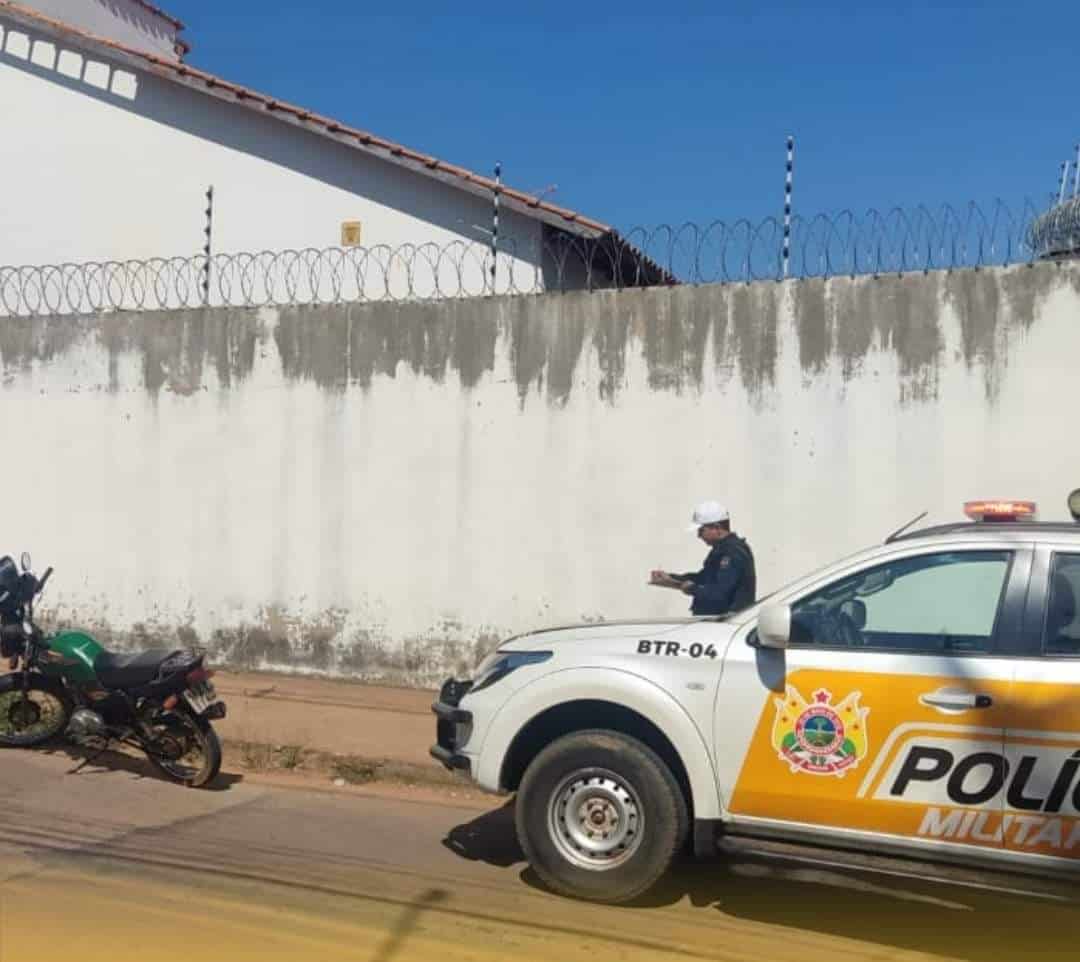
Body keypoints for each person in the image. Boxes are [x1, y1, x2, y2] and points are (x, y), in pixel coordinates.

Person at [649, 501, 756, 615]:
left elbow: (720, 593)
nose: (699, 536)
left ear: (717, 528)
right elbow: (703, 578)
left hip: (724, 623)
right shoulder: (722, 550)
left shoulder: (732, 552)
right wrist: (671, 578)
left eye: (701, 530)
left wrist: (692, 589)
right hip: (717, 621)